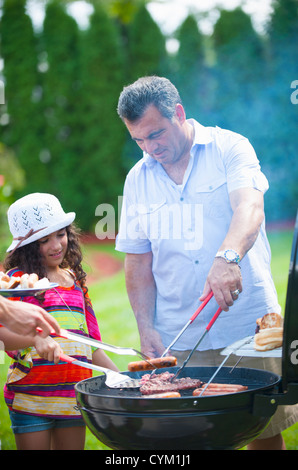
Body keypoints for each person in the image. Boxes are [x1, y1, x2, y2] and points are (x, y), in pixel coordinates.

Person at [115, 76, 298, 450]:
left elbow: (249, 207)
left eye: (156, 134)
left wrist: (227, 257)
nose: (150, 148)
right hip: (178, 330)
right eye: (139, 140)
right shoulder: (138, 179)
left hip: (248, 325)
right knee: (188, 436)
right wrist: (145, 327)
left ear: (178, 113)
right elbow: (138, 261)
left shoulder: (230, 147)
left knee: (263, 429)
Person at [0, 193, 118, 450]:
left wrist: (119, 377)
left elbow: (91, 344)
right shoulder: (18, 283)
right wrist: (35, 339)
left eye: (61, 235)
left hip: (72, 396)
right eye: (44, 240)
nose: (56, 245)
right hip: (32, 398)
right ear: (29, 246)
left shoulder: (76, 282)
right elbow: (2, 335)